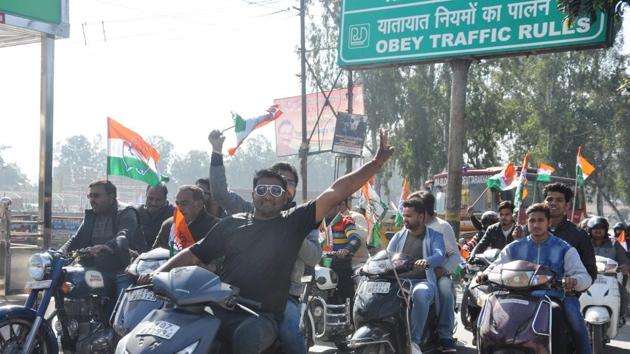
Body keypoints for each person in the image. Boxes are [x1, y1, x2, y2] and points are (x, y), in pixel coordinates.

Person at [139, 130, 394, 354]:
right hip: (219, 307)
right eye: (261, 190)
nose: (268, 196)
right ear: (253, 195)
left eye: (276, 191)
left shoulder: (293, 222)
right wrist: (156, 274)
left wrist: (376, 162)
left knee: (248, 339)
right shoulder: (232, 223)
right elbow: (195, 253)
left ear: (286, 198)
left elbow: (337, 190)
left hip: (262, 315)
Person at [208, 129, 321, 354]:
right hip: (237, 293)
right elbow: (220, 194)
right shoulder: (251, 212)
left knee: (290, 331)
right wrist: (216, 151)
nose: (271, 192)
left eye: (285, 183)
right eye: (267, 184)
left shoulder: (304, 219)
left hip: (284, 298)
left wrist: (290, 232)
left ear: (292, 190)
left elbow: (314, 257)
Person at [478, 203, 592, 354]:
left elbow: (584, 277)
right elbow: (496, 267)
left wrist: (573, 281)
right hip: (514, 296)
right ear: (527, 222)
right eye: (532, 221)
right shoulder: (513, 247)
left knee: (573, 316)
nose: (536, 224)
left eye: (540, 220)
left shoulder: (564, 248)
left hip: (553, 297)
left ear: (549, 222)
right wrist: (483, 275)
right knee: (487, 308)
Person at [59, 179, 141, 316]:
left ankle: (120, 332)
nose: (92, 200)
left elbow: (125, 233)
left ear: (111, 196)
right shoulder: (91, 216)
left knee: (124, 312)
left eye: (96, 196)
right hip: (96, 269)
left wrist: (108, 246)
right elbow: (76, 239)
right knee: (72, 282)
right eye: (90, 196)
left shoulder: (126, 212)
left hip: (122, 268)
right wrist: (58, 253)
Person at [386, 198, 445, 354]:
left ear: (421, 216)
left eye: (409, 216)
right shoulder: (399, 236)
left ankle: (415, 342)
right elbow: (387, 255)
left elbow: (440, 255)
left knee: (420, 294)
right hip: (400, 282)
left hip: (423, 281)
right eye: (404, 215)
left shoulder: (435, 236)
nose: (405, 219)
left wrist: (427, 261)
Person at [543, 182, 596, 354]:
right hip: (528, 292)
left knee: (574, 319)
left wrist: (573, 284)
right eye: (549, 199)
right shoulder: (528, 230)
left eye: (558, 200)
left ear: (567, 206)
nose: (553, 203)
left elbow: (590, 271)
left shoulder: (579, 235)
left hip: (563, 295)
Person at [408, 191, 458, 353]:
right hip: (411, 274)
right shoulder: (408, 227)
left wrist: (443, 270)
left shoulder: (442, 227)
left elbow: (454, 255)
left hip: (437, 274)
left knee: (444, 288)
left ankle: (445, 334)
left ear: (423, 211)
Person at [586, 217, 630, 318]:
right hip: (587, 277)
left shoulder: (614, 243)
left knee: (623, 294)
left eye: (601, 228)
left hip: (610, 278)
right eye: (595, 227)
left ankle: (620, 317)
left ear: (606, 230)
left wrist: (625, 266)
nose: (598, 230)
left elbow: (623, 259)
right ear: (590, 229)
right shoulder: (584, 243)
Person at [152, 185, 219, 250]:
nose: (179, 208)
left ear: (199, 204)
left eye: (184, 203)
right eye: (177, 203)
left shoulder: (215, 227)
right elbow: (154, 254)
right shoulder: (168, 225)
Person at [321, 199, 361, 304]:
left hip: (341, 265)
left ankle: (350, 318)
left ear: (339, 207)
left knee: (347, 296)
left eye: (330, 205)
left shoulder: (346, 221)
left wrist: (346, 250)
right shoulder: (319, 223)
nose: (327, 208)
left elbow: (355, 240)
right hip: (321, 266)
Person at [136, 183, 174, 248]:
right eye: (150, 199)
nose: (153, 203)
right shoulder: (137, 213)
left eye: (158, 200)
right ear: (146, 196)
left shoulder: (174, 214)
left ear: (165, 199)